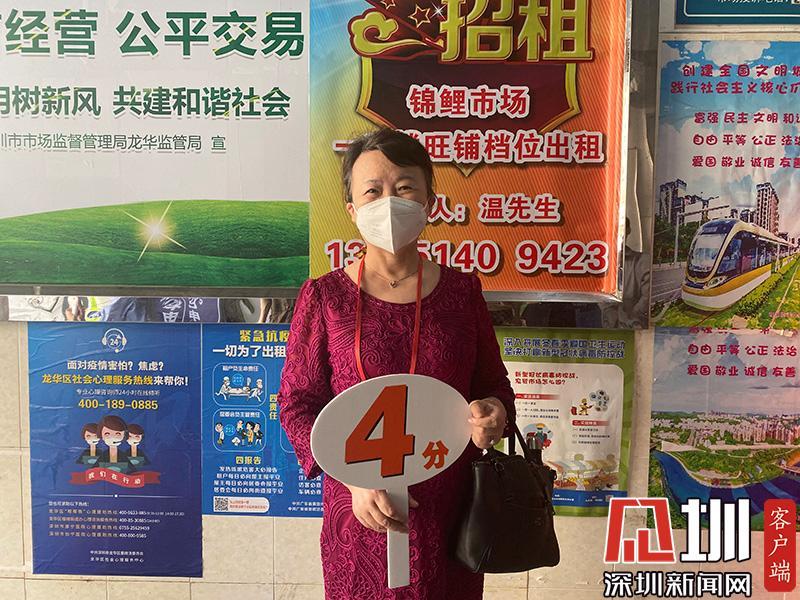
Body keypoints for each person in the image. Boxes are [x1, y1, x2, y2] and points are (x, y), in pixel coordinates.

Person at [277, 128, 516, 599]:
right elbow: (296, 404)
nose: (389, 202)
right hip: (361, 514)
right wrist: (352, 480)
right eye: (373, 191)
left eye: (405, 187)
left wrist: (494, 412)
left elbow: (494, 386)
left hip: (451, 514)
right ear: (352, 209)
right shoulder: (325, 297)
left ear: (429, 202)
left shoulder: (462, 293)